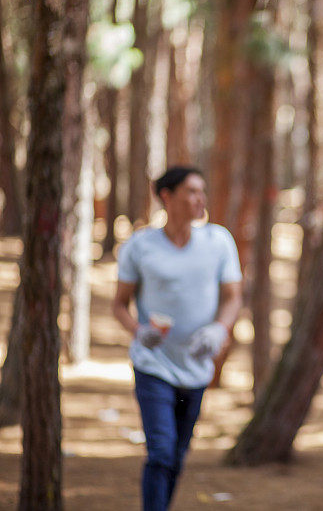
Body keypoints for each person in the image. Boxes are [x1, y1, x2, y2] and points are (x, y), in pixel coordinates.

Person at [112, 167, 243, 511]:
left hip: (197, 367)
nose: (201, 199)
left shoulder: (218, 241)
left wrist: (219, 329)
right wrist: (139, 331)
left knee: (178, 455)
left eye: (203, 191)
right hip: (153, 365)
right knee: (161, 450)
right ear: (167, 196)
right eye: (191, 191)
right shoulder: (140, 246)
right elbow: (119, 304)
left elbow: (232, 296)